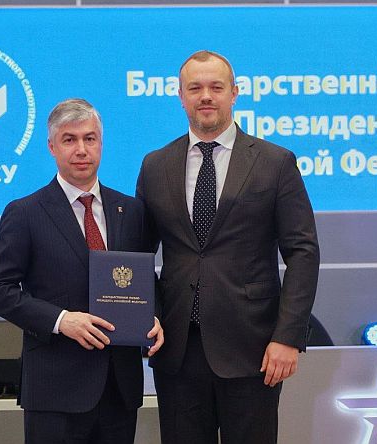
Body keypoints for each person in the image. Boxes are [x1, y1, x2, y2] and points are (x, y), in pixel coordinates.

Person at [136, 51, 320, 444]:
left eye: (216, 87)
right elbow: (137, 256)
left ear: (234, 93)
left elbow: (303, 253)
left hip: (254, 350)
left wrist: (288, 337)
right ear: (181, 97)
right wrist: (145, 315)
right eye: (195, 88)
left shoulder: (275, 162)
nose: (206, 96)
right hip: (177, 352)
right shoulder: (155, 165)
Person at [0, 98, 163, 444]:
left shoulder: (131, 211)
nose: (81, 149)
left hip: (119, 389)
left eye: (89, 138)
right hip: (55, 391)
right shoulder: (25, 212)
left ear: (101, 143)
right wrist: (61, 320)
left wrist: (154, 316)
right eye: (69, 139)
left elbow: (144, 280)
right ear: (52, 146)